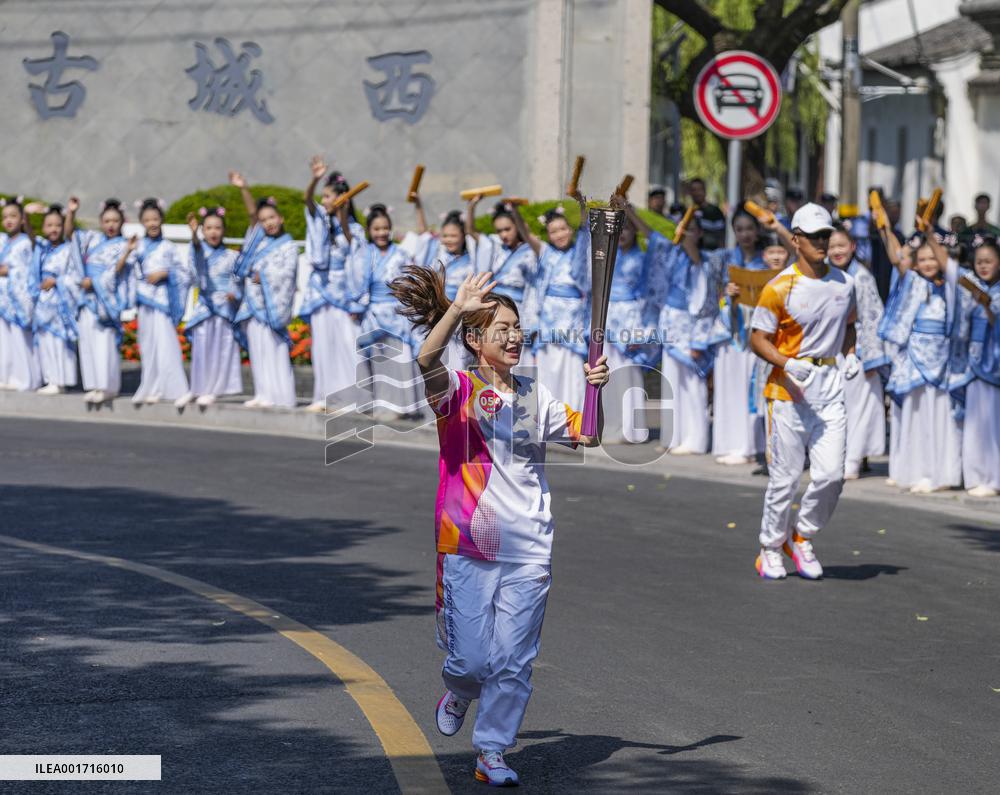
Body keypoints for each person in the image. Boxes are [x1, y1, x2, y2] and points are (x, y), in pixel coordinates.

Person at [388, 265, 609, 788]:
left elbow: (590, 436)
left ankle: (492, 751)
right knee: (470, 662)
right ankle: (459, 691)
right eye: (501, 328)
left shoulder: (534, 397)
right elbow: (425, 359)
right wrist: (458, 309)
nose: (514, 337)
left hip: (529, 545)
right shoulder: (457, 393)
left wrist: (595, 387)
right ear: (474, 338)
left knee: (512, 659)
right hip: (469, 541)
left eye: (517, 327)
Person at [749, 203, 858, 580]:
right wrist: (785, 362)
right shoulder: (780, 287)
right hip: (788, 392)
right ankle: (769, 546)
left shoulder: (845, 283)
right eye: (814, 236)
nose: (822, 242)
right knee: (785, 478)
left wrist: (850, 353)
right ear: (796, 240)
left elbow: (849, 326)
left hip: (830, 389)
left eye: (826, 235)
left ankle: (802, 536)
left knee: (831, 476)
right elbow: (757, 338)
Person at [877, 219, 961, 493]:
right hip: (914, 358)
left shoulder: (949, 287)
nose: (927, 263)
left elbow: (948, 265)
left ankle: (938, 472)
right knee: (914, 414)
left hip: (941, 360)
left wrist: (929, 235)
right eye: (922, 259)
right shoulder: (912, 282)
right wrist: (884, 228)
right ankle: (913, 470)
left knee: (937, 415)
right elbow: (896, 258)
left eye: (931, 258)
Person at [346, 202, 423, 419]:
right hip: (372, 312)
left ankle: (404, 405)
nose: (381, 233)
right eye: (376, 229)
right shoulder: (364, 254)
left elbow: (411, 281)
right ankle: (381, 403)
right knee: (377, 358)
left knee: (400, 357)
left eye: (385, 228)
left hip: (397, 311)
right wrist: (356, 305)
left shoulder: (401, 254)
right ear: (369, 231)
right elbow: (356, 281)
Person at [231, 173, 299, 409]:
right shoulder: (258, 241)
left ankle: (280, 396)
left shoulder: (289, 245)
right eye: (264, 220)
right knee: (258, 351)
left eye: (272, 217)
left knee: (274, 350)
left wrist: (266, 277)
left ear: (280, 218)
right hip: (253, 304)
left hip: (272, 306)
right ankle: (262, 392)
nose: (268, 222)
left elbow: (288, 273)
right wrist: (244, 189)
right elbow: (251, 216)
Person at [302, 158, 366, 412]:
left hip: (344, 294)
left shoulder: (355, 229)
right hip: (320, 290)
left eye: (333, 197)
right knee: (322, 346)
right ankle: (323, 396)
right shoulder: (318, 220)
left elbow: (354, 246)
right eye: (326, 196)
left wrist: (342, 214)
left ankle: (350, 399)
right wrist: (315, 178)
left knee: (346, 345)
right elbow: (307, 200)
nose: (327, 201)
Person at [650, 215, 717, 455]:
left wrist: (699, 340)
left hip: (691, 330)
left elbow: (706, 302)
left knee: (692, 386)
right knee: (672, 383)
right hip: (671, 326)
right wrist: (630, 210)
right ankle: (674, 436)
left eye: (691, 229)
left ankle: (695, 439)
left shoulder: (706, 261)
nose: (685, 233)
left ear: (699, 233)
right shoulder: (672, 256)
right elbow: (652, 237)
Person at [827, 226, 889, 479]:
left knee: (859, 407)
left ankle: (853, 459)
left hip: (860, 350)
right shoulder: (829, 275)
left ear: (852, 246)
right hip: (835, 347)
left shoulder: (861, 276)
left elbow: (873, 317)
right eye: (831, 247)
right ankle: (841, 457)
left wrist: (871, 356)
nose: (836, 251)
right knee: (838, 407)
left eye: (841, 245)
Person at [605, 205, 669, 443]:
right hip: (608, 318)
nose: (622, 233)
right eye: (619, 228)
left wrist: (629, 211)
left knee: (628, 372)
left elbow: (659, 245)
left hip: (632, 318)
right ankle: (610, 424)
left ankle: (630, 428)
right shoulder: (607, 257)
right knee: (608, 372)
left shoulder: (643, 258)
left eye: (627, 228)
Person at [709, 208, 768, 465]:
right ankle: (727, 442)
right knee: (729, 388)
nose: (745, 234)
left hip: (755, 333)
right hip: (730, 332)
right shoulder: (724, 259)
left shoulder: (765, 261)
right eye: (740, 229)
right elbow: (713, 296)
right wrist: (727, 295)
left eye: (749, 229)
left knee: (749, 390)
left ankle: (748, 446)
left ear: (757, 232)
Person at [400, 189, 478, 369]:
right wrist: (418, 205)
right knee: (436, 359)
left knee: (461, 361)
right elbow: (423, 232)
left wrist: (471, 208)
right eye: (445, 235)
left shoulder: (473, 257)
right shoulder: (435, 252)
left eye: (453, 236)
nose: (448, 240)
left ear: (463, 237)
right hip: (437, 313)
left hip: (463, 315)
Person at [66, 197, 131, 404]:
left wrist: (94, 282)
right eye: (107, 221)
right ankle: (93, 384)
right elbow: (71, 236)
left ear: (122, 222)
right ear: (101, 222)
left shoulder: (124, 244)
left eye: (115, 221)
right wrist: (72, 212)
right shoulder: (93, 238)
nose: (111, 225)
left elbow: (118, 270)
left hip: (106, 299)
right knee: (88, 342)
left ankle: (108, 386)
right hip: (88, 298)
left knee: (105, 344)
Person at [526, 198, 590, 408]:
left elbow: (584, 227)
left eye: (563, 228)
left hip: (573, 317)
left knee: (572, 371)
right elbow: (526, 234)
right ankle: (547, 418)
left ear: (570, 229)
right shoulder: (546, 253)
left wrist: (582, 205)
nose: (559, 234)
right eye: (553, 231)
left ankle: (573, 421)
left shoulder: (580, 252)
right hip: (549, 318)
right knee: (547, 371)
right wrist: (514, 210)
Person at [130, 197, 193, 407]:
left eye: (155, 218)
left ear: (162, 219)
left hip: (163, 302)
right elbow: (129, 272)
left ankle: (171, 388)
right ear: (142, 222)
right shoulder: (137, 246)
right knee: (148, 346)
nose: (152, 223)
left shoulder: (169, 247)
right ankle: (150, 386)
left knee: (166, 344)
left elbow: (184, 274)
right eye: (147, 220)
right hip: (145, 301)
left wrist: (165, 273)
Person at [949, 237, 1000, 497]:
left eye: (989, 261)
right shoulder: (973, 286)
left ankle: (993, 477)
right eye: (979, 261)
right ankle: (976, 474)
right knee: (975, 421)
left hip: (995, 361)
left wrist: (986, 305)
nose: (983, 266)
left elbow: (995, 318)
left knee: (992, 422)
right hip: (974, 358)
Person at [467, 198, 540, 368]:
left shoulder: (530, 250)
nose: (503, 235)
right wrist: (471, 206)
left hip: (519, 308)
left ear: (517, 227)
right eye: (499, 230)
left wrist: (515, 212)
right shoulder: (495, 247)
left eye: (508, 229)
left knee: (517, 353)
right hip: (495, 306)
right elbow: (471, 231)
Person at [185, 207, 244, 407]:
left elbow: (238, 282)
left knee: (221, 349)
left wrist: (234, 293)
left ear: (224, 230)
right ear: (202, 231)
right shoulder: (198, 251)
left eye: (217, 227)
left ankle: (215, 389)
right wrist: (193, 236)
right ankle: (197, 388)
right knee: (201, 348)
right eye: (208, 228)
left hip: (224, 308)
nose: (213, 232)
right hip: (204, 306)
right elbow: (194, 260)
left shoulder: (232, 256)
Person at [31, 203, 82, 395]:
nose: (54, 229)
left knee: (59, 343)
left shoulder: (69, 249)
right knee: (46, 342)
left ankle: (61, 380)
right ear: (43, 228)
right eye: (49, 225)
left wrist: (57, 281)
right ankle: (51, 378)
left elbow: (75, 276)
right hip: (44, 304)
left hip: (61, 305)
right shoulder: (43, 249)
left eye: (58, 225)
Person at [0, 197, 40, 392]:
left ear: (22, 219)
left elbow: (29, 269)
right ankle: (6, 375)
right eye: (5, 217)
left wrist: (10, 271)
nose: (8, 220)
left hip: (18, 297)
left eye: (13, 216)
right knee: (4, 339)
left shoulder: (26, 242)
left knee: (20, 338)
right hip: (3, 298)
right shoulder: (2, 240)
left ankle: (25, 378)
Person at [687, 178, 726, 250]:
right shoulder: (687, 213)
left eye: (699, 189)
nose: (696, 193)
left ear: (704, 191)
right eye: (693, 190)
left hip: (712, 255)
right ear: (690, 192)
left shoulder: (714, 211)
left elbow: (721, 237)